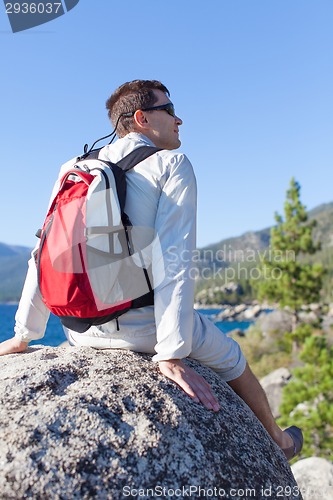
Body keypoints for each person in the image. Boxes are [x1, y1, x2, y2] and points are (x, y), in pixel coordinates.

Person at [0, 80, 302, 460]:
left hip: (81, 331)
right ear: (141, 118)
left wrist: (24, 334)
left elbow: (44, 249)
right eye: (170, 109)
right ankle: (280, 442)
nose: (179, 119)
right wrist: (171, 353)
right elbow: (176, 259)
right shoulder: (171, 163)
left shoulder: (73, 167)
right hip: (145, 331)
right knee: (233, 358)